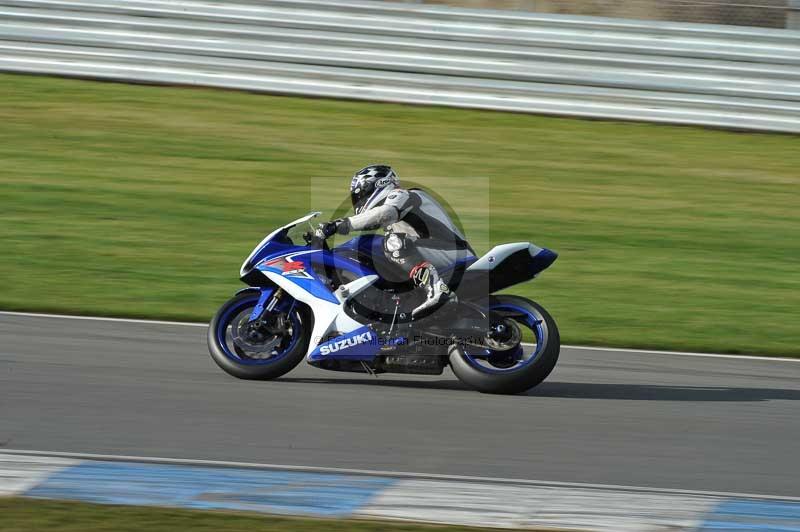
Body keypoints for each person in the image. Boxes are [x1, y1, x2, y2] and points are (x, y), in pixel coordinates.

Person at [318, 165, 471, 317]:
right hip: (438, 255)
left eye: (361, 194)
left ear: (380, 184)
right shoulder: (397, 219)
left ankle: (437, 289)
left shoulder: (404, 194)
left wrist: (339, 225)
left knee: (393, 243)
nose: (358, 201)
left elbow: (385, 213)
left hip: (454, 253)